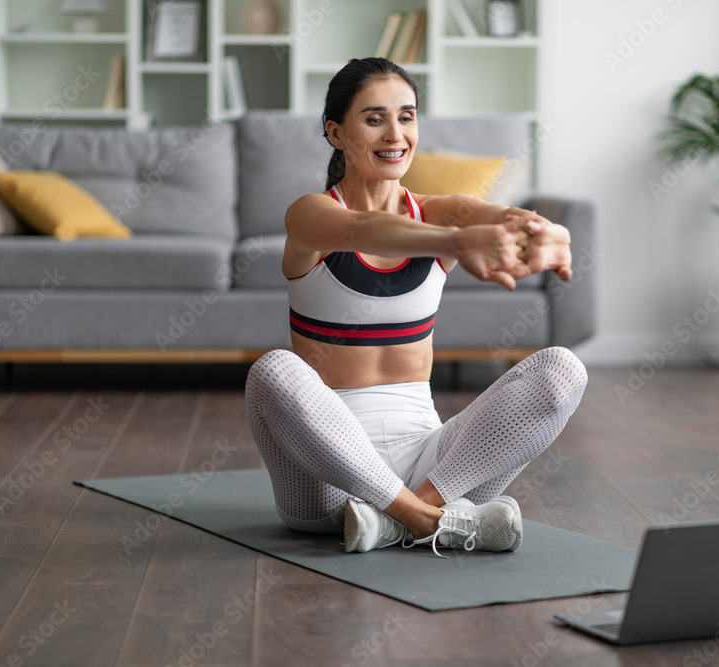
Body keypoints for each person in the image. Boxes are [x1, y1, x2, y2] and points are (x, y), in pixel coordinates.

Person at [245, 57, 587, 557]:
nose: (395, 134)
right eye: (374, 118)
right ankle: (425, 520)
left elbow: (509, 217)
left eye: (406, 116)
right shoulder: (312, 215)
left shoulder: (440, 212)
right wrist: (459, 240)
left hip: (439, 469)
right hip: (328, 481)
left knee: (564, 369)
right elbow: (361, 230)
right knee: (273, 371)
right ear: (336, 132)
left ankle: (406, 516)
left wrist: (550, 234)